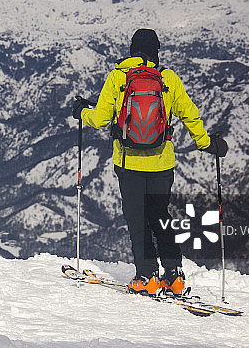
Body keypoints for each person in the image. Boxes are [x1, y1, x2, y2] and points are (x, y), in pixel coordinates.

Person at [72, 28, 227, 296]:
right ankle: (174, 276)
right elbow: (190, 115)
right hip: (162, 163)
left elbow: (99, 119)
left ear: (132, 50)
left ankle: (147, 276)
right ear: (156, 51)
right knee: (160, 217)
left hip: (129, 164)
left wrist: (82, 111)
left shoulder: (119, 77)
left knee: (138, 221)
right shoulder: (168, 79)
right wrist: (207, 144)